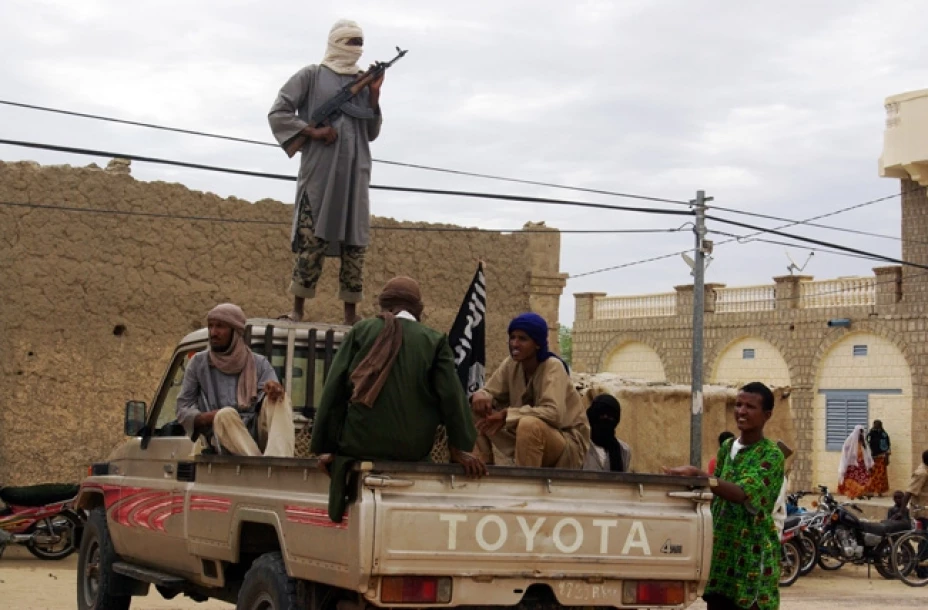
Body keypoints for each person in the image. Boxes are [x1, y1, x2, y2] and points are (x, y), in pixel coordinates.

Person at [312, 276, 486, 521]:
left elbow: (335, 390)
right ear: (419, 310)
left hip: (360, 446)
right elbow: (452, 398)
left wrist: (327, 448)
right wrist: (459, 448)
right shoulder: (434, 340)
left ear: (384, 306)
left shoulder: (361, 331)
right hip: (412, 450)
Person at [268, 19, 384, 326]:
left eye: (360, 43)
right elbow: (279, 111)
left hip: (355, 175)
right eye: (350, 42)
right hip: (320, 175)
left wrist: (373, 95)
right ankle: (298, 310)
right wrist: (314, 132)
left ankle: (350, 314)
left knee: (355, 243)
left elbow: (370, 131)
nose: (356, 49)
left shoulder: (362, 81)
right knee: (312, 241)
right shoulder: (311, 75)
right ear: (335, 43)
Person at [664, 382, 784, 610]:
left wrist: (700, 475)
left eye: (750, 406)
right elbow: (715, 490)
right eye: (738, 405)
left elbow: (742, 493)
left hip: (750, 556)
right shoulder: (727, 447)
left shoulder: (771, 455)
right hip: (721, 556)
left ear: (767, 415)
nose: (741, 411)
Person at [470, 313, 590, 469]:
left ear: (537, 344)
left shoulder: (553, 366)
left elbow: (553, 413)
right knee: (476, 408)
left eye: (522, 339)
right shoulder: (511, 364)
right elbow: (490, 391)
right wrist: (481, 395)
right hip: (523, 438)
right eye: (512, 337)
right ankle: (483, 466)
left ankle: (525, 486)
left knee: (529, 425)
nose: (515, 344)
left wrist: (507, 415)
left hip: (565, 443)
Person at [176, 304, 294, 457]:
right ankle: (261, 467)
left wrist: (275, 390)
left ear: (236, 331)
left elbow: (271, 393)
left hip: (256, 431)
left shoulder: (258, 363)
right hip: (222, 435)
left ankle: (278, 461)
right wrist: (208, 417)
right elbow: (183, 407)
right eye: (211, 326)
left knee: (280, 400)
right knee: (225, 414)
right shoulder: (199, 363)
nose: (213, 332)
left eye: (220, 326)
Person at [582, 394, 632, 472]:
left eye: (610, 416)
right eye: (601, 415)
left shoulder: (624, 451)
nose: (606, 418)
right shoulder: (580, 446)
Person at [837, 425, 873, 499]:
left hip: (861, 464)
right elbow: (845, 449)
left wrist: (869, 463)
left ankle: (858, 493)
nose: (862, 434)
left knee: (863, 479)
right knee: (851, 480)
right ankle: (852, 494)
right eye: (861, 433)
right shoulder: (850, 440)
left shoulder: (863, 442)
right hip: (852, 464)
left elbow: (867, 453)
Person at [867, 420, 892, 497]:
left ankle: (880, 492)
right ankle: (871, 491)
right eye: (875, 424)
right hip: (872, 458)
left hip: (881, 457)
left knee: (881, 476)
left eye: (878, 425)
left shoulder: (884, 434)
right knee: (871, 475)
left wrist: (887, 457)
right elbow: (867, 445)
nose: (876, 426)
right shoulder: (870, 434)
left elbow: (888, 446)